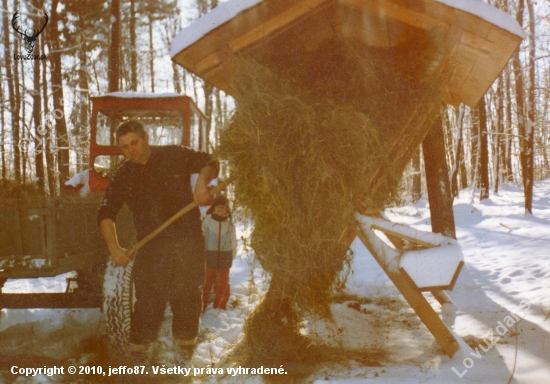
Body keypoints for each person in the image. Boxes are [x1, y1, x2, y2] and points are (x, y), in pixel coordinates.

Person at [97, 120, 218, 361]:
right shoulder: (123, 175)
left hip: (187, 240)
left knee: (187, 295)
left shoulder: (173, 155)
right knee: (148, 301)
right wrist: (114, 248)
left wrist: (202, 184)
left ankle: (184, 353)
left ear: (146, 138)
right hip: (152, 246)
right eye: (124, 146)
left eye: (134, 142)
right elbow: (106, 214)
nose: (131, 150)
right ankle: (140, 358)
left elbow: (209, 162)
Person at [202, 195, 237, 310]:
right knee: (207, 281)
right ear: (214, 208)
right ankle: (201, 304)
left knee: (223, 282)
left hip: (224, 256)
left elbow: (233, 240)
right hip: (209, 255)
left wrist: (233, 254)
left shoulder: (230, 224)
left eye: (222, 207)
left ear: (227, 208)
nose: (219, 209)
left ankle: (220, 306)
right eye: (217, 207)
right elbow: (202, 235)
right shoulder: (208, 221)